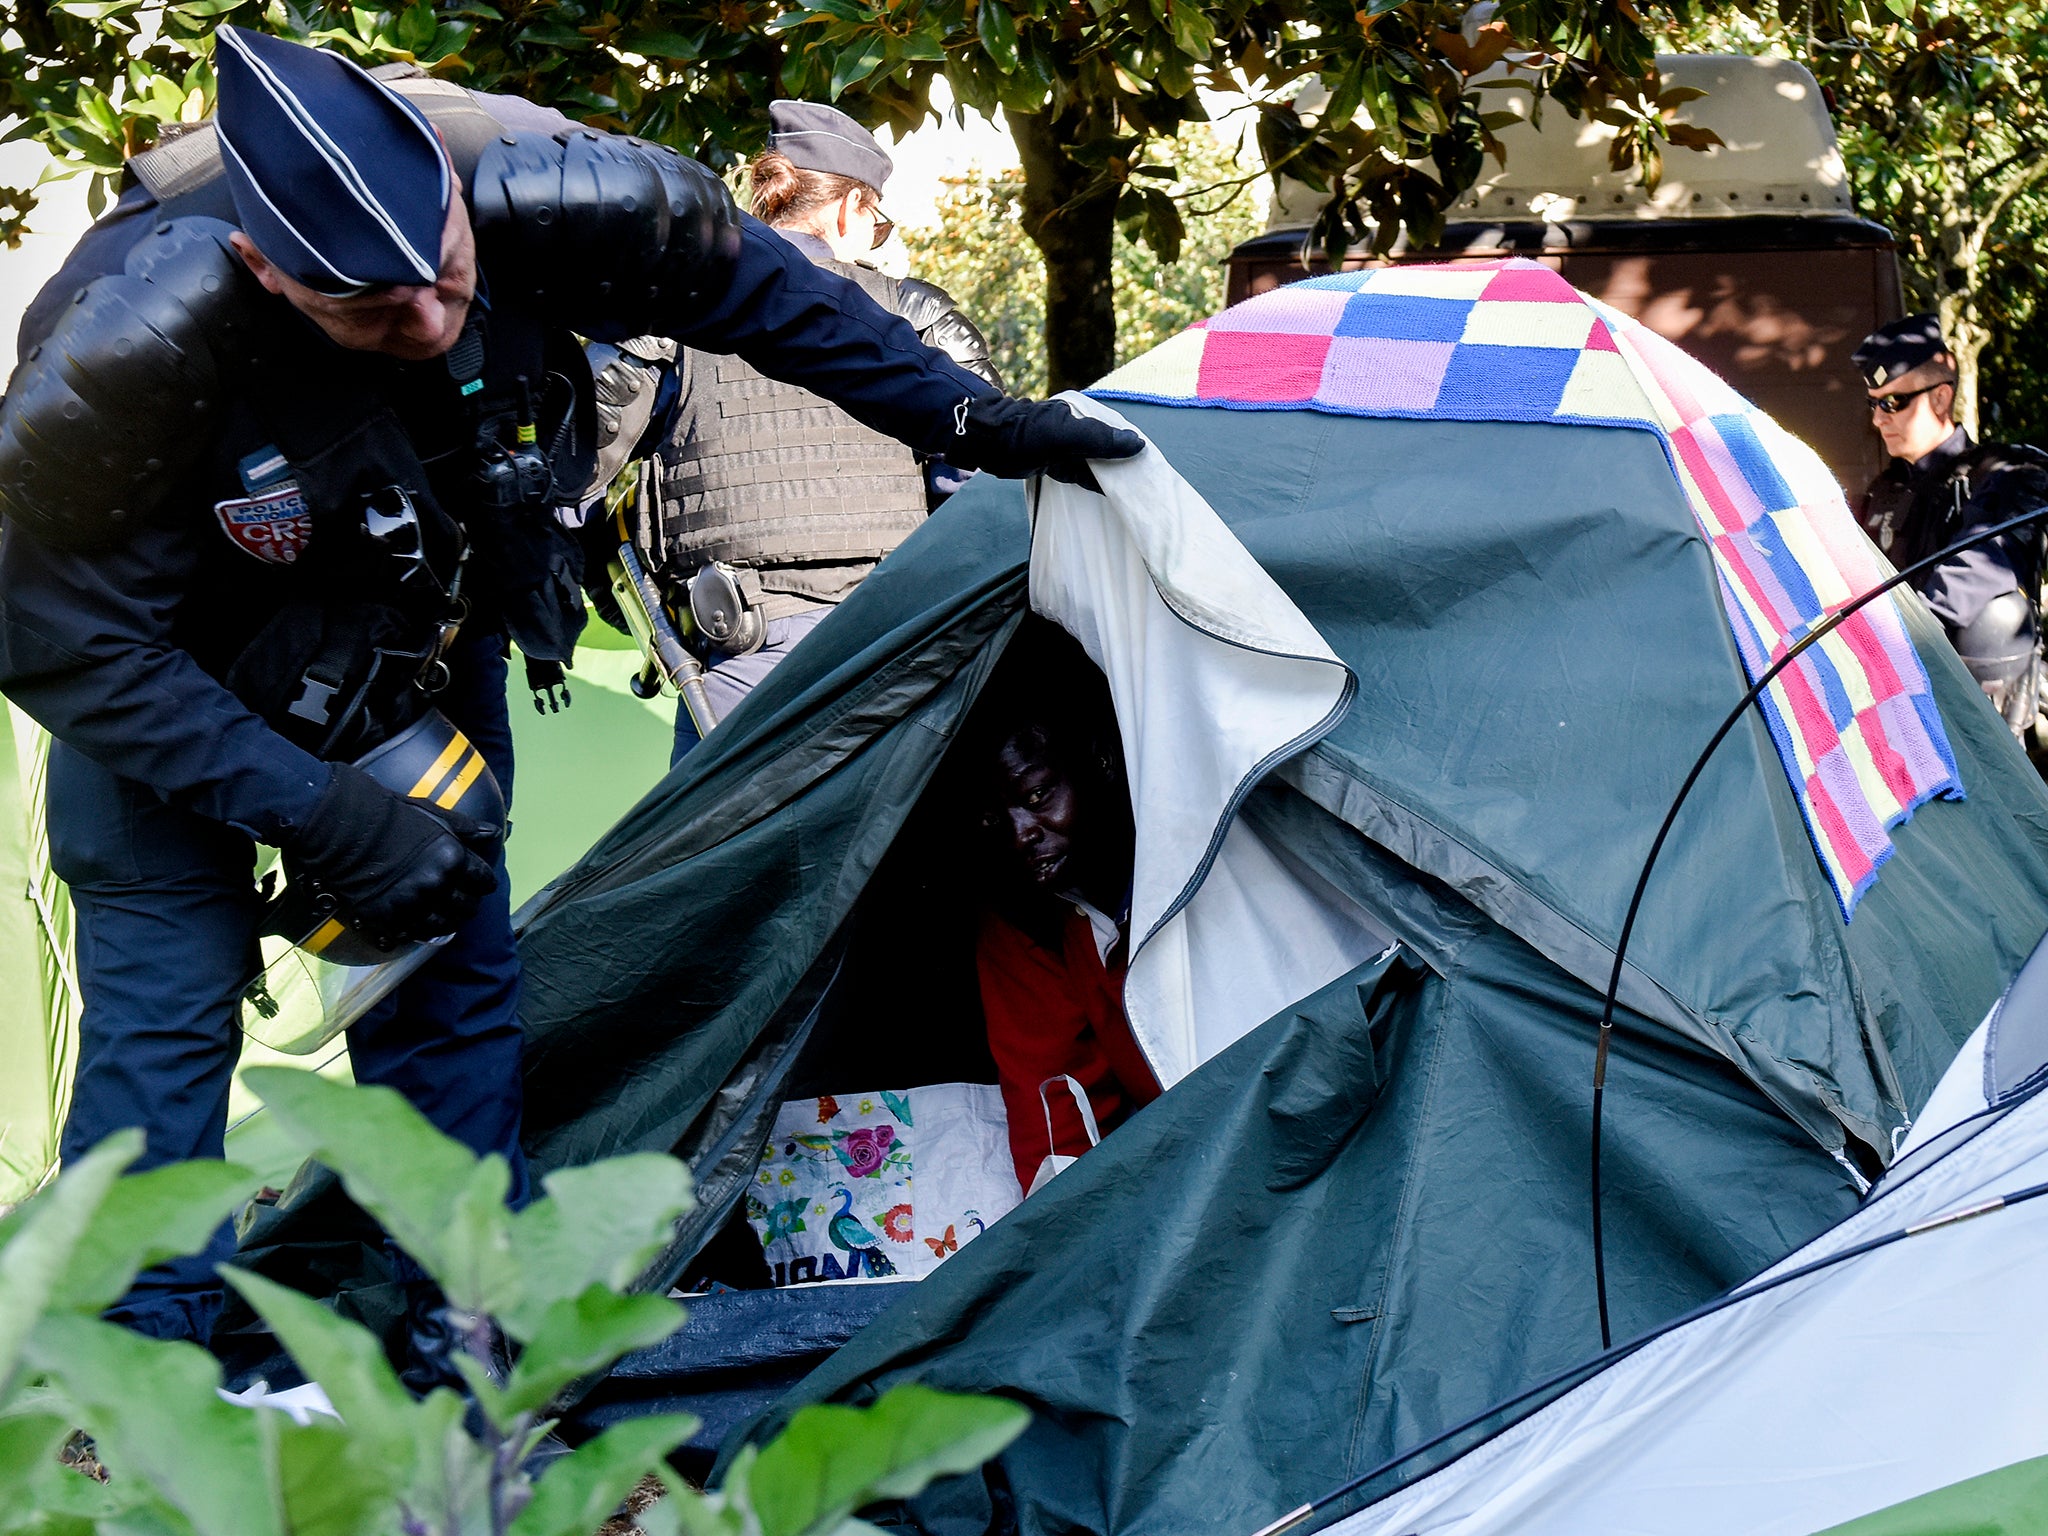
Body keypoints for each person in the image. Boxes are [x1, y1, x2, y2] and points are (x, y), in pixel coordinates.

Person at [0, 27, 1140, 1351]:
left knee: (452, 964)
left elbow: (777, 300)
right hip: (170, 673)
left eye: (442, 277)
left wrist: (975, 421)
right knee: (168, 1013)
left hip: (409, 633)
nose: (425, 325)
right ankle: (130, 1388)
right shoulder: (132, 334)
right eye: (370, 309)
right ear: (266, 270)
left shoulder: (542, 188)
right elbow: (51, 639)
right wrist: (322, 815)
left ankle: (472, 1348)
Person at [604, 101, 1003, 763]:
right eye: (875, 224)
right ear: (850, 210)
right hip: (895, 651)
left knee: (730, 865)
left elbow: (563, 460)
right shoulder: (915, 316)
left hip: (738, 665)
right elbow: (990, 486)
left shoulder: (675, 312)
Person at [961, 632, 1159, 1193]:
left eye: (1037, 798)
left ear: (1098, 763)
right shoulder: (1025, 916)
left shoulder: (1194, 855)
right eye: (993, 821)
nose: (1020, 836)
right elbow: (1054, 1118)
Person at [1854, 314, 2048, 740]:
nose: (1878, 419)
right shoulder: (1884, 492)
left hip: (1983, 716)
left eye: (1892, 403)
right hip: (1898, 700)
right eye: (1874, 404)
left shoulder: (2006, 472)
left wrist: (1893, 636)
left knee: (2000, 612)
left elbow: (1983, 564)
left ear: (1941, 398)